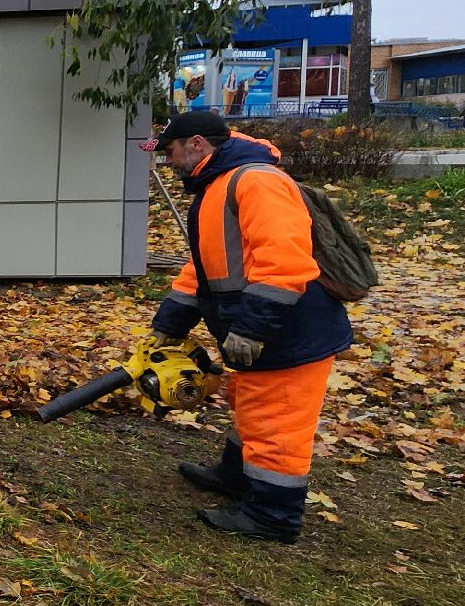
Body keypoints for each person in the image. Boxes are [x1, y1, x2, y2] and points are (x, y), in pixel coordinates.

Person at [148, 110, 351, 544]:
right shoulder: (217, 187)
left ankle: (273, 515)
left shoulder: (255, 182)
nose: (169, 162)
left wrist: (253, 329)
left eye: (171, 151)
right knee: (252, 404)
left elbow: (284, 263)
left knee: (278, 422)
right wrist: (171, 323)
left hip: (291, 330)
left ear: (198, 144)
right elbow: (203, 269)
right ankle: (235, 476)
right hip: (263, 329)